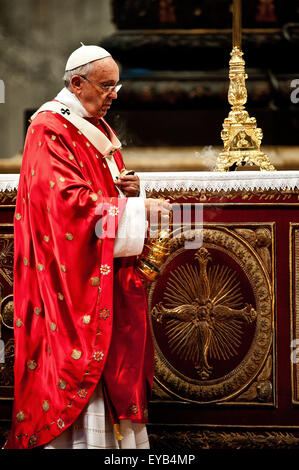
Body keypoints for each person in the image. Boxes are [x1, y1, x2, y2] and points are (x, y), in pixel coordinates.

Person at [4, 44, 171, 449]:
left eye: (117, 86)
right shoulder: (48, 128)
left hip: (102, 273)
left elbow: (95, 190)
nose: (114, 94)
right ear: (77, 84)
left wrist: (128, 192)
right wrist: (138, 210)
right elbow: (66, 207)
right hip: (68, 283)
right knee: (75, 366)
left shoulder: (96, 124)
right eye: (106, 85)